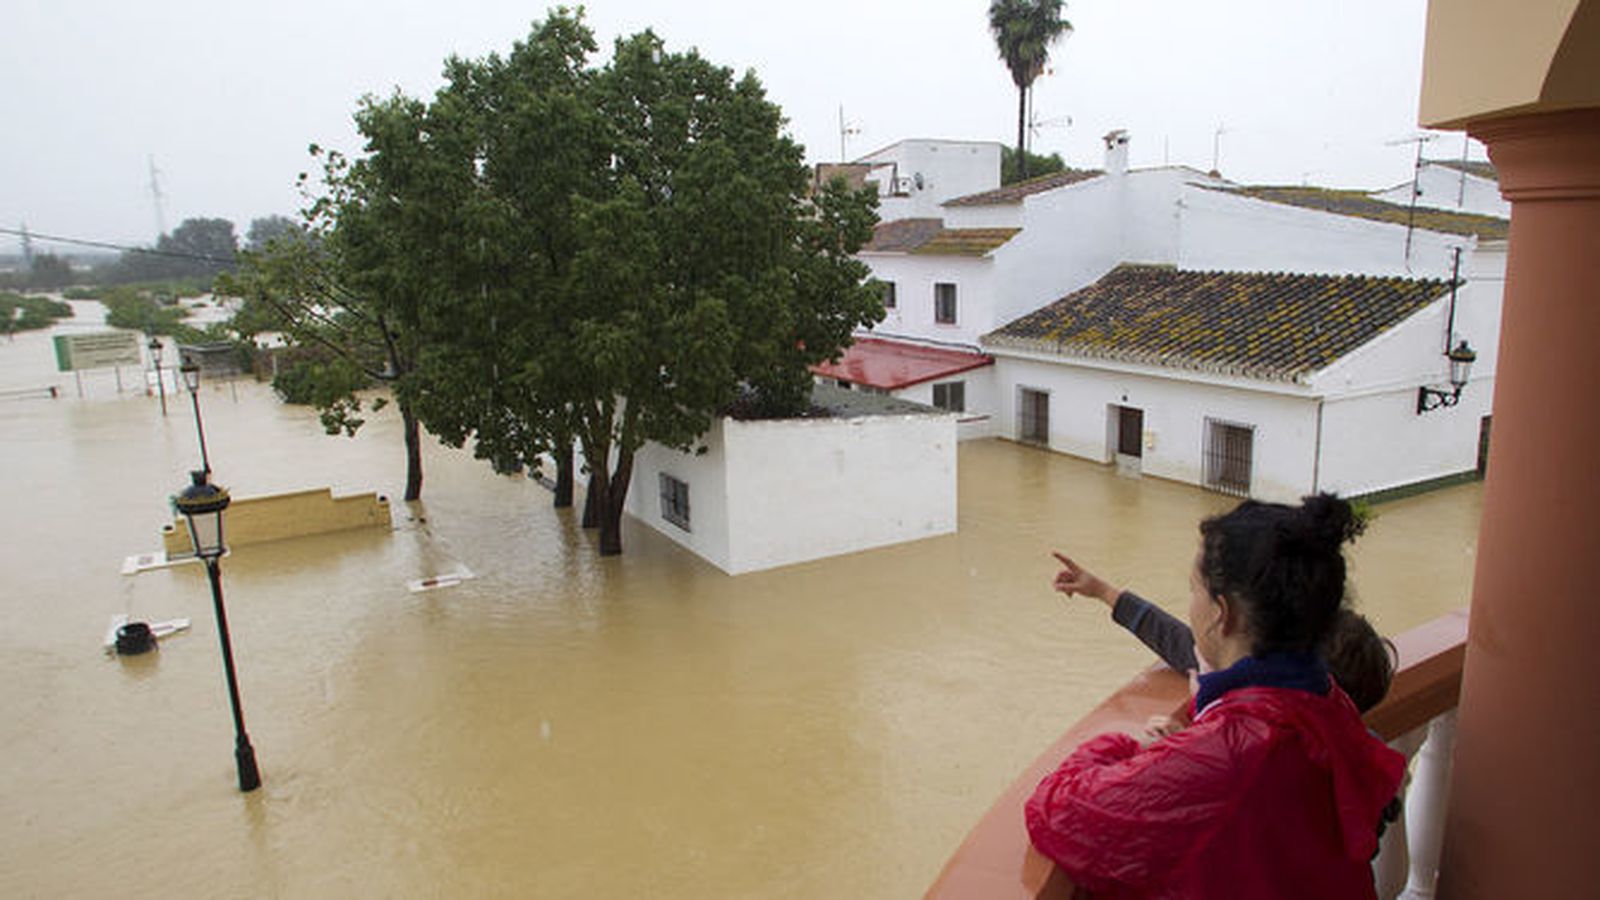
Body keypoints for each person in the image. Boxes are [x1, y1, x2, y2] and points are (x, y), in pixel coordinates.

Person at [1026, 494, 1406, 899]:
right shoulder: (1327, 702)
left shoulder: (1232, 752)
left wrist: (1130, 750)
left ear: (1222, 614)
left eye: (1194, 590)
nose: (1191, 606)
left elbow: (1055, 809)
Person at [1052, 553, 1396, 713]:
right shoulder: (1354, 759)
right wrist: (1103, 591)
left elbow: (1184, 646)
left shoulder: (1251, 734)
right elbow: (1184, 644)